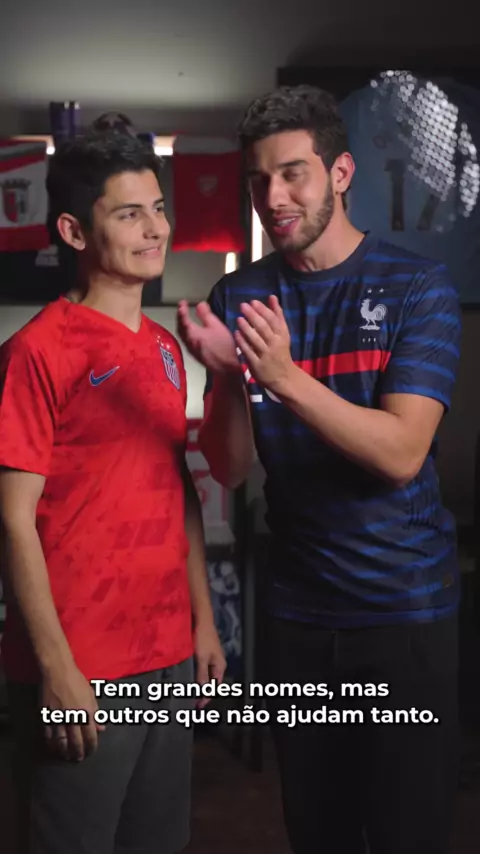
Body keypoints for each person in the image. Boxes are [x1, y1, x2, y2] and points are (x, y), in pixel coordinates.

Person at [177, 85, 462, 854]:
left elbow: (400, 454)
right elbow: (231, 468)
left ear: (340, 173)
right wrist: (229, 378)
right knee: (318, 831)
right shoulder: (241, 293)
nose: (273, 197)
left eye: (293, 173)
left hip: (403, 615)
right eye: (259, 179)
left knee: (407, 833)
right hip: (299, 616)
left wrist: (281, 377)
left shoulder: (417, 288)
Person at [0, 130, 225, 854]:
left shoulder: (164, 348)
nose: (156, 228)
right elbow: (11, 520)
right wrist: (56, 668)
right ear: (74, 231)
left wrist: (203, 622)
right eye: (129, 214)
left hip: (165, 654)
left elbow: (177, 491)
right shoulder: (36, 352)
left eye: (158, 208)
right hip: (82, 665)